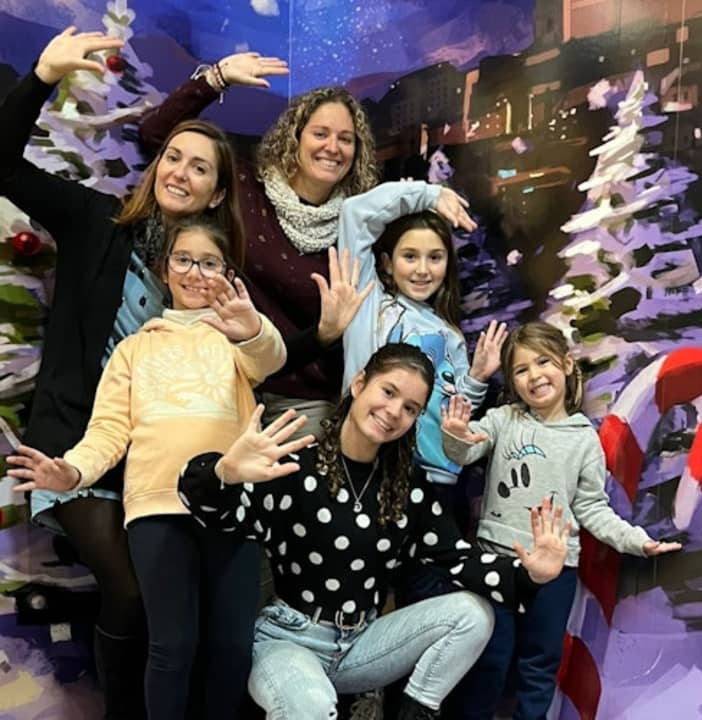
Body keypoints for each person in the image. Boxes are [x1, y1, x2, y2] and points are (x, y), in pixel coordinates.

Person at [0, 27, 246, 718]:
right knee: (132, 592)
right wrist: (41, 77)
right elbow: (4, 165)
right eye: (174, 157)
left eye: (200, 168)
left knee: (171, 605)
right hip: (76, 447)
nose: (181, 172)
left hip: (157, 466)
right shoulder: (95, 221)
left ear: (216, 192)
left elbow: (257, 356)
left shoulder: (208, 277)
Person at [176, 342, 571, 720]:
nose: (394, 411)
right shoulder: (296, 466)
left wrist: (531, 574)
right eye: (388, 391)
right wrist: (223, 473)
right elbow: (218, 514)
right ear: (359, 383)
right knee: (312, 707)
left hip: (361, 645)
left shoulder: (407, 488)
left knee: (473, 613)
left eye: (411, 408)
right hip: (287, 641)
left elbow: (458, 559)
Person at [8, 216, 287, 720]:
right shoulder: (135, 348)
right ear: (164, 269)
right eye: (184, 260)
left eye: (210, 263)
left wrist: (251, 327)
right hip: (157, 510)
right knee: (172, 646)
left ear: (227, 273)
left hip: (233, 506)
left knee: (230, 646)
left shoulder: (237, 339)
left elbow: (271, 358)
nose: (195, 272)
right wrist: (72, 472)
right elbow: (108, 430)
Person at [441, 320, 682, 720]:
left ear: (567, 365)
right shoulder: (503, 420)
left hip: (555, 574)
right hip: (496, 561)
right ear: (512, 382)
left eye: (543, 362)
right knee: (489, 660)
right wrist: (455, 434)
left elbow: (592, 508)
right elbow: (463, 452)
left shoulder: (584, 439)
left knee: (539, 667)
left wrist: (636, 541)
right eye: (521, 370)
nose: (534, 375)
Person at [139, 54, 379, 436]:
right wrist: (216, 79)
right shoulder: (246, 188)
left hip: (301, 401)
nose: (332, 147)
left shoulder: (355, 225)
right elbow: (155, 135)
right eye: (320, 133)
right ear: (295, 137)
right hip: (222, 378)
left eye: (345, 139)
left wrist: (432, 197)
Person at [338, 181, 507, 497]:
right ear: (387, 264)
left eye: (435, 257)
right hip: (370, 466)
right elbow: (354, 214)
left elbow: (455, 413)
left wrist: (476, 378)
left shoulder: (450, 334)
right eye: (410, 256)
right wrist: (429, 195)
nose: (422, 270)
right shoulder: (369, 303)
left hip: (432, 483)